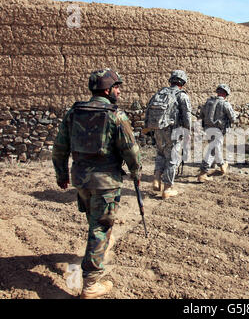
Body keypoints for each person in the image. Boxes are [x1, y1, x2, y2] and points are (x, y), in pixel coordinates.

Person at [52, 68, 142, 299]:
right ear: (107, 89)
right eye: (117, 87)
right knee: (100, 228)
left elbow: (59, 148)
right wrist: (136, 172)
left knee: (95, 221)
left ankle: (100, 246)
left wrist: (61, 175)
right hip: (105, 182)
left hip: (81, 179)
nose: (119, 91)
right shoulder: (115, 115)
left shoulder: (74, 112)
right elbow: (131, 150)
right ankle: (91, 283)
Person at [144, 70, 192, 199]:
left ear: (171, 81)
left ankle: (157, 178)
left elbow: (148, 110)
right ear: (183, 82)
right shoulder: (182, 96)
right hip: (173, 131)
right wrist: (188, 132)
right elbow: (187, 117)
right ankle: (167, 188)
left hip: (158, 129)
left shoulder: (160, 93)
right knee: (172, 158)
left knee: (160, 154)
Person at [197, 83, 237, 182]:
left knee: (215, 148)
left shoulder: (208, 102)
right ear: (226, 94)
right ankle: (203, 173)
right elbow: (233, 119)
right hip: (218, 130)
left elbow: (201, 115)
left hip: (207, 129)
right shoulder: (225, 104)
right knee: (212, 150)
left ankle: (222, 166)